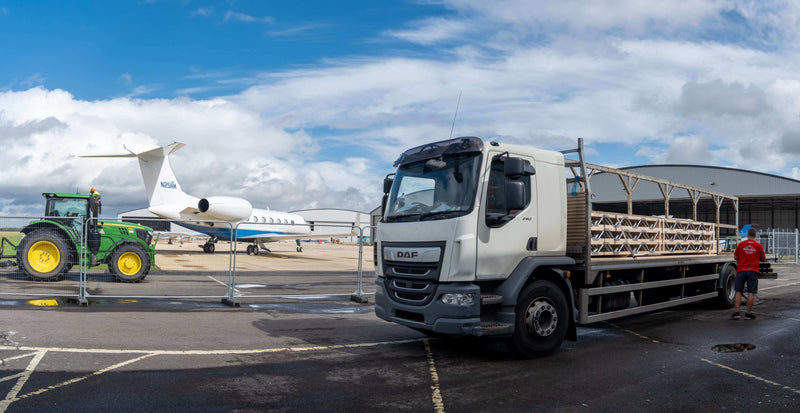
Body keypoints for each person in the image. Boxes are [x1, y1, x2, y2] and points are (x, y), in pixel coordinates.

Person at [731, 228, 766, 320]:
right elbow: (763, 259)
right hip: (752, 271)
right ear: (755, 235)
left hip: (741, 270)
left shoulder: (741, 244)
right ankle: (748, 313)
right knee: (751, 292)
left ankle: (736, 312)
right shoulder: (758, 246)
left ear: (747, 235)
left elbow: (735, 257)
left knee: (738, 291)